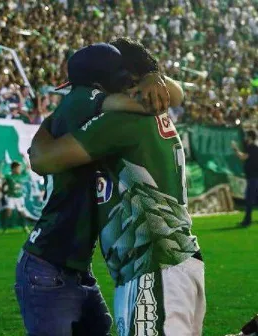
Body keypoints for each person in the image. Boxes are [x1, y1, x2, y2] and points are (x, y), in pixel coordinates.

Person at [29, 44, 205, 335]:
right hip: (177, 261)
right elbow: (175, 92)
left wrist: (50, 121)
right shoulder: (155, 109)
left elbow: (42, 159)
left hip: (151, 267)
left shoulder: (120, 121)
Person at [232, 130, 258, 227]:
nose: (245, 138)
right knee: (250, 199)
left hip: (253, 178)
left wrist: (235, 149)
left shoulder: (252, 148)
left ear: (250, 137)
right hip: (253, 177)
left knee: (249, 200)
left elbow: (243, 157)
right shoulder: (254, 148)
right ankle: (247, 220)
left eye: (247, 136)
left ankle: (247, 221)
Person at [3, 159, 31, 234]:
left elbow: (28, 167)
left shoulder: (22, 175)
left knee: (21, 213)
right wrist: (1, 166)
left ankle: (25, 227)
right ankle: (5, 229)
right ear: (13, 169)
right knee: (8, 212)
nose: (19, 169)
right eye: (18, 168)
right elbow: (0, 176)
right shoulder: (9, 176)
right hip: (11, 196)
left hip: (19, 197)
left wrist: (24, 158)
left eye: (20, 168)